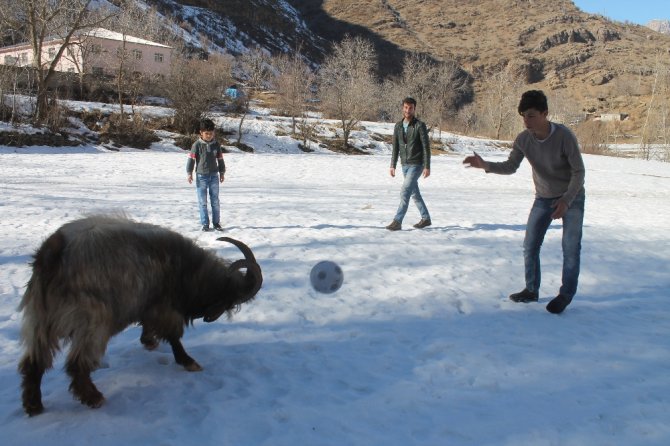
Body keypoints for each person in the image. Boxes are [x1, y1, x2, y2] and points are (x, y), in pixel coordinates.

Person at [463, 90, 585, 314]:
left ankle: (565, 295)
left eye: (531, 115)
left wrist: (566, 201)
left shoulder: (564, 136)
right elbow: (511, 166)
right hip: (544, 197)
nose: (526, 121)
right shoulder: (523, 139)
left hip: (572, 196)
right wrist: (486, 165)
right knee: (530, 245)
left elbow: (579, 172)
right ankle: (531, 290)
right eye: (523, 116)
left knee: (570, 248)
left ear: (545, 113)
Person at [386, 97, 432, 231]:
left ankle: (397, 221)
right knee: (414, 193)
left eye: (410, 108)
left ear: (414, 109)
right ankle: (426, 218)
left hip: (417, 164)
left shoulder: (419, 125)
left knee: (405, 191)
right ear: (403, 108)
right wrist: (392, 165)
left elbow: (426, 147)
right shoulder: (398, 126)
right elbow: (395, 147)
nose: (408, 110)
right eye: (406, 107)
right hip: (404, 165)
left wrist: (427, 166)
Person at [187, 118, 226, 232]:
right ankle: (205, 224)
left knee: (215, 201)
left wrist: (222, 172)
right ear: (201, 133)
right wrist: (189, 173)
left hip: (214, 176)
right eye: (206, 133)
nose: (209, 136)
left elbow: (220, 159)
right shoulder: (196, 145)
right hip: (201, 177)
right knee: (202, 201)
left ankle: (216, 223)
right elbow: (191, 160)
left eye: (211, 133)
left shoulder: (216, 145)